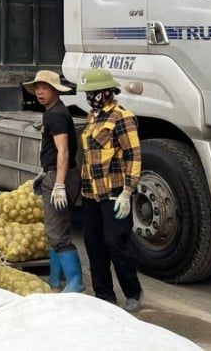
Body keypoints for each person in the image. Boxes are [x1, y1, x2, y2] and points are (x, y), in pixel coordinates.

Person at [77, 68, 144, 312]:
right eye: (88, 93)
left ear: (107, 92)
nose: (91, 97)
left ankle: (133, 292)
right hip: (90, 192)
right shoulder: (93, 117)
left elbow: (133, 155)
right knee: (94, 243)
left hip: (114, 192)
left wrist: (128, 191)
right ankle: (104, 295)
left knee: (116, 242)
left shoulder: (121, 117)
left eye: (94, 92)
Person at [24, 70, 85, 293]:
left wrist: (59, 183)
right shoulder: (52, 112)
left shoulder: (56, 114)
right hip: (54, 174)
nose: (40, 92)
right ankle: (55, 279)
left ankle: (76, 282)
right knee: (55, 230)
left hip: (61, 177)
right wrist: (45, 171)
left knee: (58, 233)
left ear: (55, 91)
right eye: (37, 88)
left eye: (45, 88)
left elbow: (64, 151)